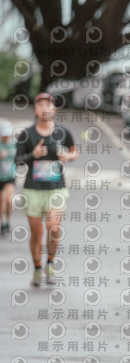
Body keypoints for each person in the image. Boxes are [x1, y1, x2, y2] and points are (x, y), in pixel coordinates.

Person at [15, 92, 78, 286]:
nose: (45, 108)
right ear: (35, 109)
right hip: (32, 189)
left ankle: (50, 263)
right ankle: (37, 268)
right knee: (37, 233)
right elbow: (17, 161)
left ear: (54, 109)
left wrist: (68, 157)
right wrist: (33, 155)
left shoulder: (62, 131)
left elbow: (74, 150)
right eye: (40, 105)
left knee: (53, 227)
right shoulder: (27, 134)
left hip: (56, 188)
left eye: (48, 105)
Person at [0, 120, 16, 236]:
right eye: (4, 135)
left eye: (8, 135)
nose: (6, 137)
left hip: (10, 175)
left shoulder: (14, 144)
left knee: (9, 200)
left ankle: (8, 221)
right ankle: (2, 223)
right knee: (1, 201)